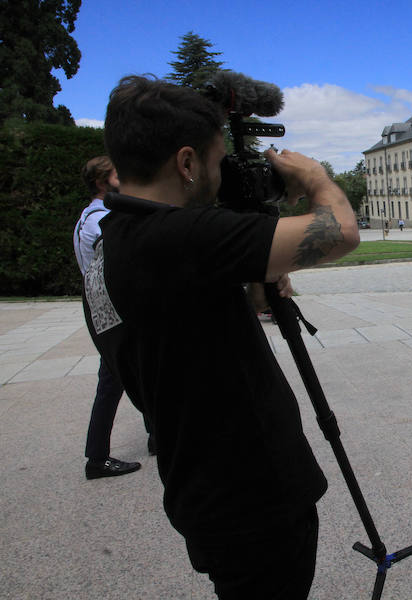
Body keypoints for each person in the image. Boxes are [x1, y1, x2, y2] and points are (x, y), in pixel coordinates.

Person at [82, 76, 359, 598]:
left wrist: (250, 284)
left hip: (202, 484)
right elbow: (339, 231)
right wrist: (316, 178)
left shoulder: (114, 241)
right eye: (215, 162)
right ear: (186, 164)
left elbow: (189, 322)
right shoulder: (178, 239)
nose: (221, 176)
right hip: (251, 498)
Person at [74, 156, 151, 480]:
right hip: (115, 310)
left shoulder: (89, 216)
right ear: (104, 182)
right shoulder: (102, 220)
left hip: (108, 309)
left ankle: (158, 435)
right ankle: (97, 458)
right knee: (113, 379)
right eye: (118, 174)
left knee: (141, 371)